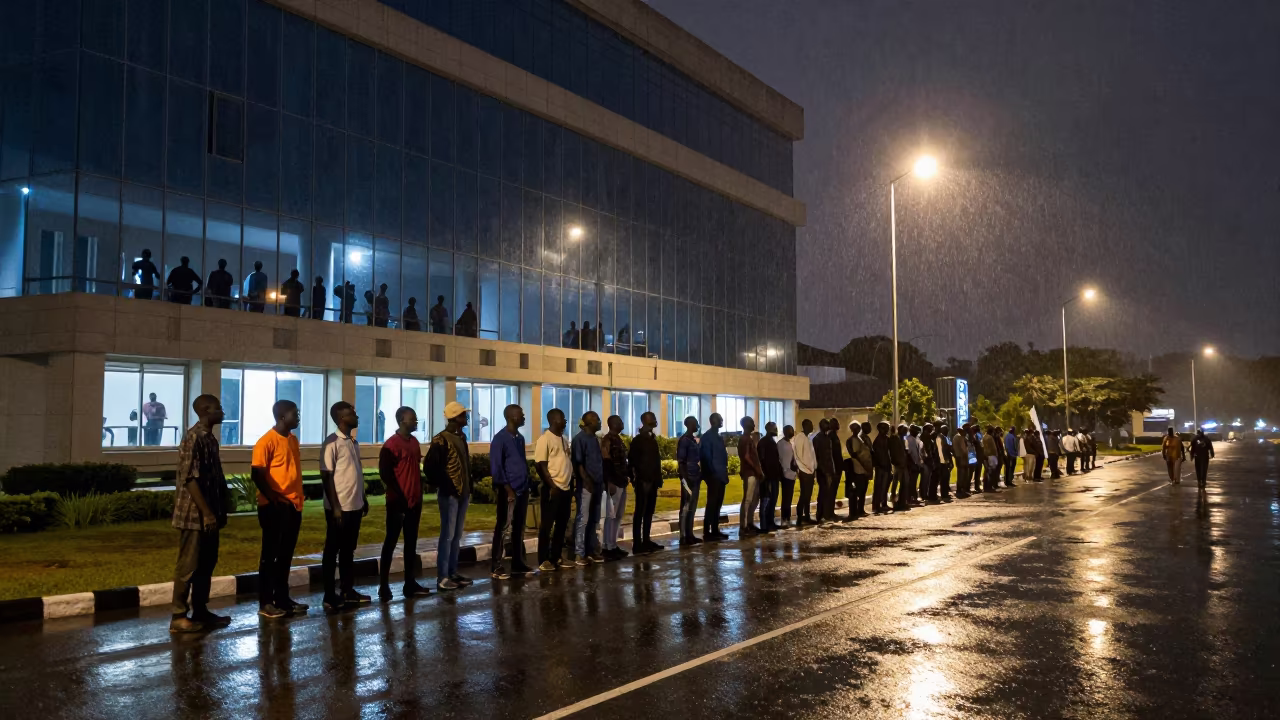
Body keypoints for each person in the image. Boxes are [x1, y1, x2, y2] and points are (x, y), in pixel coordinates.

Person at [168, 394, 231, 633]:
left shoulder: (210, 439)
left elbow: (214, 476)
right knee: (189, 565)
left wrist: (222, 504)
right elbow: (190, 478)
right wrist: (207, 513)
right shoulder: (193, 438)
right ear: (206, 410)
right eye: (218, 408)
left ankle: (201, 610)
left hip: (210, 512)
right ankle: (178, 616)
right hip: (194, 515)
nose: (222, 412)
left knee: (207, 564)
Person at [251, 400, 307, 619]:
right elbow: (258, 474)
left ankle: (283, 598)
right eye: (295, 413)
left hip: (294, 505)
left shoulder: (293, 440)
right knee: (270, 556)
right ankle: (266, 602)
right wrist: (274, 498)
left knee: (285, 556)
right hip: (274, 507)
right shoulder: (266, 442)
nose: (298, 417)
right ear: (283, 416)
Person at [320, 401, 370, 611]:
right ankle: (329, 595)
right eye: (352, 414)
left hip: (354, 505)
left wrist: (363, 498)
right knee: (333, 550)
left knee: (349, 549)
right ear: (342, 419)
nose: (356, 417)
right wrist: (336, 506)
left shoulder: (353, 442)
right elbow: (326, 475)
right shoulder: (332, 443)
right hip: (338, 508)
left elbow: (356, 472)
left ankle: (347, 590)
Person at [377, 406, 431, 601]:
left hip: (414, 501)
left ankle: (410, 583)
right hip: (397, 502)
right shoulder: (391, 445)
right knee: (390, 542)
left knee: (411, 544)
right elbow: (385, 473)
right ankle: (383, 585)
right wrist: (399, 495)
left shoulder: (415, 442)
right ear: (402, 420)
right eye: (412, 419)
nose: (416, 422)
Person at [424, 401, 474, 590]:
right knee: (447, 535)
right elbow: (430, 468)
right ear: (455, 418)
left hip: (462, 493)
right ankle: (443, 577)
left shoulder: (461, 436)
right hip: (450, 495)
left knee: (456, 535)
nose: (466, 417)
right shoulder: (441, 440)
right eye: (463, 415)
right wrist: (447, 486)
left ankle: (452, 572)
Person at [489, 404, 534, 580]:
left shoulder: (520, 438)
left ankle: (518, 562)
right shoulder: (500, 439)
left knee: (518, 528)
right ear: (512, 417)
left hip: (522, 489)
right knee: (503, 527)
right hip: (509, 490)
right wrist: (508, 489)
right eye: (521, 415)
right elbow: (496, 467)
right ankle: (496, 564)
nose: (523, 417)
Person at [535, 409, 575, 570]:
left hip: (565, 488)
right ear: (554, 420)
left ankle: (556, 557)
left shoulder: (564, 439)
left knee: (561, 524)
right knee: (547, 525)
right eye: (562, 418)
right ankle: (543, 560)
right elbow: (540, 465)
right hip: (552, 489)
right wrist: (552, 486)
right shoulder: (545, 439)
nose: (565, 421)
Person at [571, 411, 605, 564]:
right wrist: (586, 481)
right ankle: (579, 552)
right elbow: (578, 463)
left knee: (594, 518)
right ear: (590, 422)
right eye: (597, 419)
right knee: (583, 518)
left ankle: (591, 550)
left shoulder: (595, 439)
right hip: (586, 485)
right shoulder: (580, 439)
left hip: (598, 483)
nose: (600, 422)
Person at [629, 411, 664, 552]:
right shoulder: (638, 440)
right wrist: (637, 479)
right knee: (640, 512)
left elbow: (656, 461)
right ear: (645, 421)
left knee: (649, 511)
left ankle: (646, 540)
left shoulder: (652, 439)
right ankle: (637, 544)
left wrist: (658, 478)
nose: (655, 421)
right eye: (652, 419)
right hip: (643, 481)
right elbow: (632, 462)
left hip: (653, 480)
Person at [602, 415, 631, 558]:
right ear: (612, 424)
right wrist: (609, 482)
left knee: (618, 515)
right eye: (619, 422)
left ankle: (613, 544)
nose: (622, 424)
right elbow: (606, 462)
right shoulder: (607, 440)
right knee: (611, 516)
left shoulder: (618, 439)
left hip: (622, 481)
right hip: (614, 482)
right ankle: (607, 546)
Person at [699, 413, 730, 540]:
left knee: (718, 503)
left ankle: (715, 530)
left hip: (721, 474)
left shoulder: (718, 436)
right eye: (719, 419)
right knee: (712, 503)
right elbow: (706, 457)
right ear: (713, 421)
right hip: (713, 475)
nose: (722, 421)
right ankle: (707, 532)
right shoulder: (707, 437)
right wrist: (711, 474)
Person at [676, 416, 702, 544]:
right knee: (686, 506)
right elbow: (681, 462)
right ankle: (683, 536)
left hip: (696, 477)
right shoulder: (684, 440)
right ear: (689, 425)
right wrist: (685, 478)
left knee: (692, 506)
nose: (697, 425)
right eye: (695, 423)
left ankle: (690, 534)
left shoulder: (693, 440)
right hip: (688, 478)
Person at [737, 416, 763, 535]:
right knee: (747, 499)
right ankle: (744, 527)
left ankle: (750, 523)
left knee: (754, 498)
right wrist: (757, 469)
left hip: (754, 473)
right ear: (746, 425)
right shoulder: (744, 439)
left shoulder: (749, 438)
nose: (754, 425)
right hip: (750, 473)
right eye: (752, 423)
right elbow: (746, 457)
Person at [758, 421, 783, 532]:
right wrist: (765, 475)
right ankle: (765, 525)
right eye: (775, 428)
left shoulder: (772, 441)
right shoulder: (763, 442)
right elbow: (762, 460)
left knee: (773, 500)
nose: (776, 430)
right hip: (768, 476)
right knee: (767, 501)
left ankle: (771, 522)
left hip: (774, 475)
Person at [792, 419, 817, 525]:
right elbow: (798, 456)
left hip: (810, 470)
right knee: (804, 495)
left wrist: (813, 468)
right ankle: (799, 517)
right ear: (805, 426)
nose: (812, 427)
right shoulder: (799, 438)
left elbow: (811, 455)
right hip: (804, 470)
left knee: (808, 495)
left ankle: (807, 516)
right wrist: (803, 468)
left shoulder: (808, 438)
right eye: (810, 425)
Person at [846, 421, 872, 518]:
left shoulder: (859, 439)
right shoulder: (853, 440)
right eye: (856, 428)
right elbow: (856, 455)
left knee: (863, 490)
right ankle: (857, 510)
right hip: (859, 468)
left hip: (863, 467)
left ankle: (861, 509)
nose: (858, 429)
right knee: (859, 490)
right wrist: (865, 467)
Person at [811, 419, 834, 522]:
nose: (828, 426)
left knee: (827, 493)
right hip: (822, 470)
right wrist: (823, 470)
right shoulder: (818, 438)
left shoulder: (827, 438)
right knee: (823, 492)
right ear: (821, 426)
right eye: (826, 424)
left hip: (828, 469)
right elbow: (816, 456)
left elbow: (830, 455)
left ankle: (825, 514)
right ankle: (820, 515)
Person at [777, 425, 798, 527]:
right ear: (785, 432)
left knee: (789, 498)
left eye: (793, 430)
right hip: (785, 474)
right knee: (785, 497)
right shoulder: (780, 444)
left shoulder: (791, 443)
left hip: (792, 474)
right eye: (790, 430)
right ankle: (784, 519)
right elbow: (778, 459)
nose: (792, 432)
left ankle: (788, 518)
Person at [871, 421, 893, 512]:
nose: (887, 430)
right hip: (880, 466)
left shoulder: (887, 439)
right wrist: (881, 464)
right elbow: (877, 455)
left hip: (887, 465)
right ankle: (876, 505)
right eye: (885, 428)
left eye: (887, 428)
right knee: (879, 486)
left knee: (885, 486)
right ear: (880, 429)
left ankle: (883, 503)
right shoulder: (878, 440)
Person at [890, 424, 911, 511]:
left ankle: (902, 501)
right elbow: (893, 451)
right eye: (904, 430)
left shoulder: (903, 439)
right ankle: (895, 501)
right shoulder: (895, 438)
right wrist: (896, 462)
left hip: (903, 464)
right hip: (898, 464)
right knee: (896, 483)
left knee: (905, 483)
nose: (905, 432)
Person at [934, 423, 953, 501]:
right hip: (941, 461)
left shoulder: (945, 437)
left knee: (946, 477)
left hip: (945, 460)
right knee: (943, 478)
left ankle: (945, 493)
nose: (947, 431)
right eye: (946, 430)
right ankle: (943, 494)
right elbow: (940, 451)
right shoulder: (939, 438)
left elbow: (948, 449)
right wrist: (943, 461)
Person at [905, 424, 924, 505]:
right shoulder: (908, 439)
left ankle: (914, 497)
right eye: (916, 431)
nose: (917, 433)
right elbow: (908, 453)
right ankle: (910, 498)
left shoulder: (916, 439)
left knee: (914, 481)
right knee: (911, 482)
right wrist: (912, 463)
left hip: (917, 463)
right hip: (911, 464)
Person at [953, 424, 972, 498]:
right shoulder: (959, 437)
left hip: (961, 457)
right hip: (961, 457)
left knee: (963, 474)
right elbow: (964, 449)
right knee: (961, 474)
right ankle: (960, 491)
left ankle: (962, 490)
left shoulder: (961, 437)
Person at [982, 425, 1002, 492]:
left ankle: (986, 487)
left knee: (987, 471)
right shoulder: (990, 437)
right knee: (991, 472)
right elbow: (993, 448)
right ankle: (989, 487)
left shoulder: (984, 436)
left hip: (986, 455)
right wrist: (996, 455)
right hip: (991, 456)